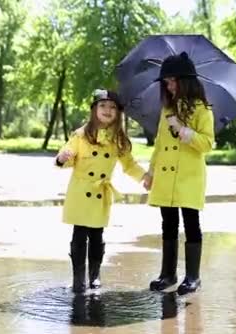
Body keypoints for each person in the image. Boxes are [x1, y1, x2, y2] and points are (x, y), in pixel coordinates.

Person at [56, 89, 149, 293]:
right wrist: (62, 158)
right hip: (80, 192)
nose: (108, 110)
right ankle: (78, 279)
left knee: (97, 235)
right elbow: (66, 158)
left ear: (118, 113)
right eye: (103, 105)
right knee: (79, 235)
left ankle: (95, 275)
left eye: (113, 107)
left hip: (101, 193)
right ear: (94, 110)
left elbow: (129, 165)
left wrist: (144, 177)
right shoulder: (80, 135)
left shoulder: (118, 140)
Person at [143, 52, 215, 295]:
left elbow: (207, 144)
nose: (169, 86)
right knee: (168, 224)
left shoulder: (202, 110)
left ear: (185, 81)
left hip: (188, 177)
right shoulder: (166, 111)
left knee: (191, 224)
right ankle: (168, 274)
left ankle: (193, 276)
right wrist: (151, 172)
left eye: (172, 81)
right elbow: (160, 145)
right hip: (165, 177)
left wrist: (184, 130)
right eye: (166, 82)